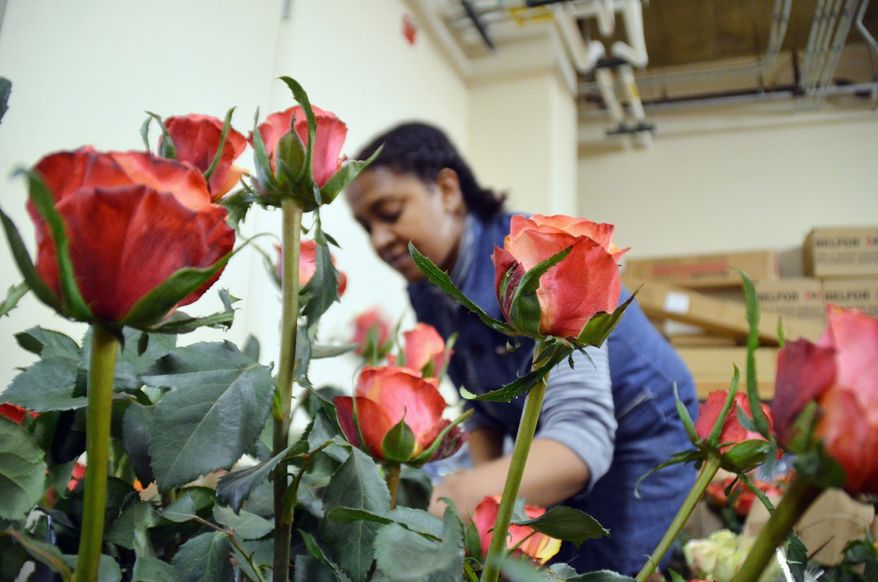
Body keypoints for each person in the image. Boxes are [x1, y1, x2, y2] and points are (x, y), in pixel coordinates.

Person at [345, 122, 698, 575]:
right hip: (560, 441)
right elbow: (480, 408)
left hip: (643, 429)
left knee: (604, 568)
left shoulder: (534, 264)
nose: (378, 239)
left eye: (389, 212)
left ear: (448, 190)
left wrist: (461, 492)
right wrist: (487, 522)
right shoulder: (428, 288)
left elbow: (578, 443)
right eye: (364, 226)